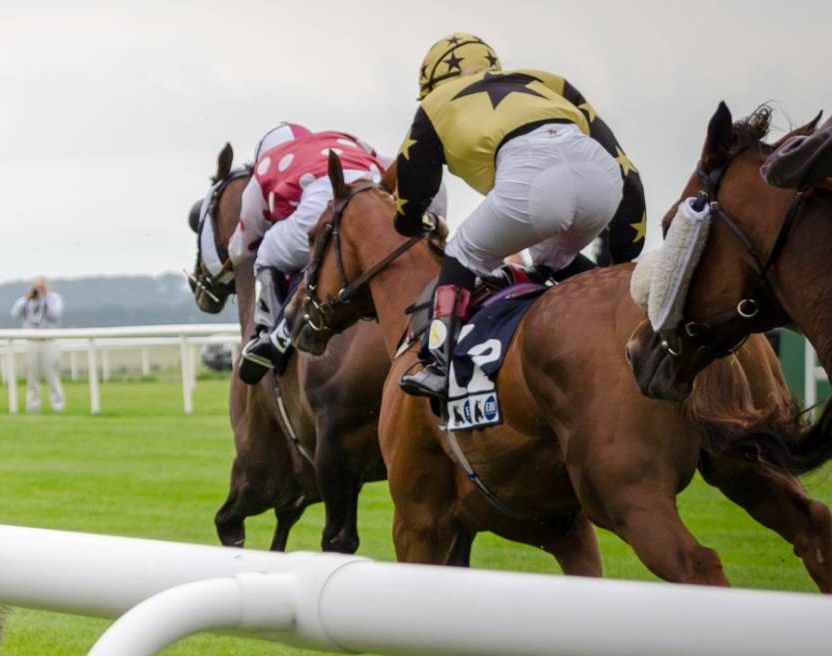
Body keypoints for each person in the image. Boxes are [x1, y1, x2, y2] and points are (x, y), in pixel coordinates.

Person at [390, 33, 646, 401]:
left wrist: (408, 223)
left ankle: (436, 364)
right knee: (548, 257)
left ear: (432, 82)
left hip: (532, 179)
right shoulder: (549, 81)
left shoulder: (434, 103)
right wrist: (622, 260)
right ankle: (629, 311)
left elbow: (414, 187)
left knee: (463, 250)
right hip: (599, 177)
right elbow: (627, 173)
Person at [231, 123, 386, 384]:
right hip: (377, 205)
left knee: (267, 249)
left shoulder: (267, 164)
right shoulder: (343, 138)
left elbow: (248, 233)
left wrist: (235, 254)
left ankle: (269, 333)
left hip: (323, 211)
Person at [12, 276, 66, 413]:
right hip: (31, 341)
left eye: (43, 286)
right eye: (37, 287)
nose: (40, 290)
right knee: (31, 376)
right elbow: (15, 312)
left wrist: (45, 299)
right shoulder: (26, 300)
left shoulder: (54, 299)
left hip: (49, 341)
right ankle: (33, 406)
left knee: (52, 375)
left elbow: (55, 315)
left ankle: (58, 405)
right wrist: (27, 298)